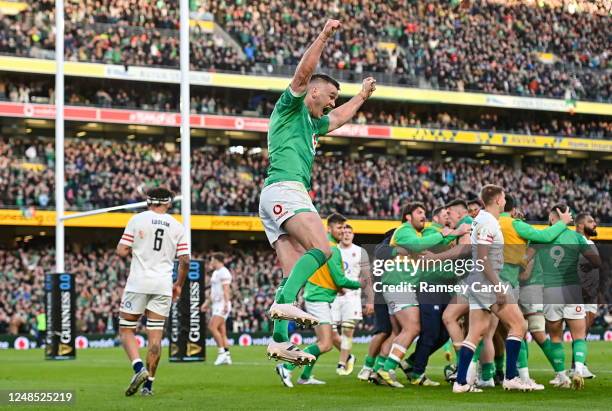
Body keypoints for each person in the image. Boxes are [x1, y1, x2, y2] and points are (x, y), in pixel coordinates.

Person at [259, 18, 377, 364]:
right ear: (313, 91)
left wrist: (361, 95)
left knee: (293, 270)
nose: (330, 103)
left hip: (276, 196)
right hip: (286, 189)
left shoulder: (313, 123)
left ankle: (279, 340)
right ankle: (282, 306)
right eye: (329, 96)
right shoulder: (291, 106)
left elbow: (339, 119)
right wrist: (324, 35)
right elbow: (302, 75)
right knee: (322, 249)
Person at [453, 185, 530, 393]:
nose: (505, 200)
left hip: (478, 280)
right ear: (498, 200)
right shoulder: (488, 222)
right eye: (504, 197)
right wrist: (498, 286)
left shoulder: (483, 219)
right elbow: (483, 257)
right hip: (488, 280)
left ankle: (460, 382)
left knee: (476, 332)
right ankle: (511, 377)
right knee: (519, 325)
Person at [116, 187, 190, 396]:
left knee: (126, 329)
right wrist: (179, 284)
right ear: (168, 203)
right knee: (155, 337)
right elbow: (185, 259)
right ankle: (148, 385)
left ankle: (138, 368)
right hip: (163, 285)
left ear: (149, 201)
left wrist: (138, 249)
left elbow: (121, 250)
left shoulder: (137, 220)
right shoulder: (177, 226)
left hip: (138, 282)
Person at [275, 214, 362, 387]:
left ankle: (305, 377)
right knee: (326, 344)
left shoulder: (320, 245)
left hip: (317, 296)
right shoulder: (333, 250)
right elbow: (340, 279)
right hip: (318, 299)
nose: (342, 231)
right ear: (329, 228)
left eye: (344, 227)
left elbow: (329, 277)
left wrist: (337, 287)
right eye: (339, 227)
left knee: (322, 342)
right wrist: (359, 284)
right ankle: (287, 366)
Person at [538, 205, 601, 389]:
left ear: (551, 219)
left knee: (555, 337)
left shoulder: (542, 237)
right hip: (572, 290)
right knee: (579, 336)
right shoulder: (576, 237)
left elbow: (527, 261)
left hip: (550, 290)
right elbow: (596, 262)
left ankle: (561, 377)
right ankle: (579, 370)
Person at [332, 224, 374, 375]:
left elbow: (366, 277)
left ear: (353, 235)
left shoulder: (360, 251)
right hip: (333, 296)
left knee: (348, 329)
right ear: (340, 235)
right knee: (329, 333)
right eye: (344, 232)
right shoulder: (333, 250)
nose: (346, 234)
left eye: (349, 232)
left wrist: (370, 299)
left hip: (352, 296)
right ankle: (349, 357)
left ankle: (341, 364)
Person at [574, 212, 600, 378]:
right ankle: (578, 366)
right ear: (581, 225)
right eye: (591, 221)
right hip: (581, 293)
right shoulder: (578, 241)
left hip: (591, 293)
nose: (595, 224)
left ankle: (577, 364)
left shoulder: (588, 241)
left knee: (585, 329)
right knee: (580, 329)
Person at [201, 252, 233, 366]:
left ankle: (221, 353)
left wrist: (225, 304)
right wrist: (207, 303)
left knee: (212, 327)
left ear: (217, 261)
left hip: (221, 304)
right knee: (222, 331)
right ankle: (227, 356)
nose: (211, 262)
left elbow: (226, 289)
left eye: (212, 260)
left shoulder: (224, 272)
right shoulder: (215, 273)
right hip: (216, 304)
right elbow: (213, 291)